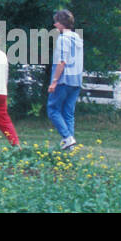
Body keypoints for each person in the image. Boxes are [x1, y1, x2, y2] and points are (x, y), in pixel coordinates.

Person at [47, 9, 83, 150]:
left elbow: (62, 61)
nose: (55, 24)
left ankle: (67, 138)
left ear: (62, 24)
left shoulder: (63, 39)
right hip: (76, 79)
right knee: (68, 113)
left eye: (56, 21)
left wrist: (54, 81)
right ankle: (70, 147)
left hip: (64, 79)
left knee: (53, 109)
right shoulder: (77, 38)